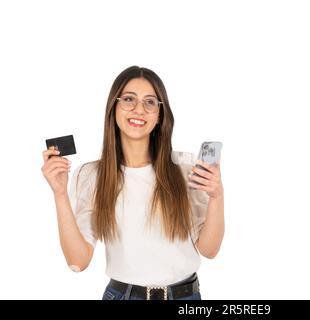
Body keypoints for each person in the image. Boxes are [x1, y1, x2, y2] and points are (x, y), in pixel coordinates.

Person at [41, 66, 225, 300]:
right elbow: (78, 262)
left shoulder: (187, 168)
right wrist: (59, 194)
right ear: (114, 108)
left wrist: (217, 196)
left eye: (150, 102)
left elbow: (210, 250)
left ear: (160, 115)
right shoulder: (92, 175)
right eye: (129, 99)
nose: (139, 109)